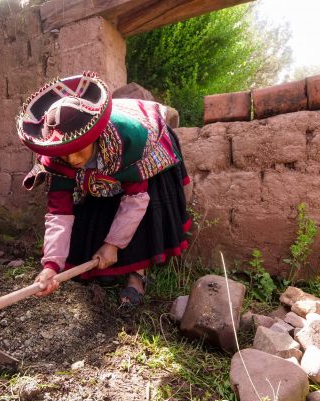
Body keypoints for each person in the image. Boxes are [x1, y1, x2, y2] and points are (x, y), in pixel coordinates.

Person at [17, 72, 191, 308]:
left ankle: (137, 276)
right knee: (94, 201)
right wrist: (51, 266)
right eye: (64, 153)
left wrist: (113, 244)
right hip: (106, 163)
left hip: (148, 144)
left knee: (148, 203)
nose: (72, 159)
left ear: (95, 137)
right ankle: (109, 266)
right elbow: (59, 214)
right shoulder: (56, 159)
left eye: (79, 150)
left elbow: (135, 200)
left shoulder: (129, 140)